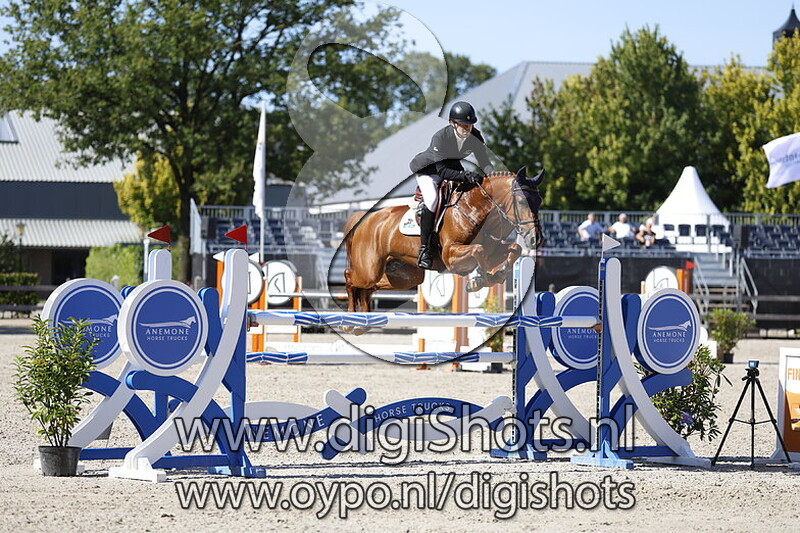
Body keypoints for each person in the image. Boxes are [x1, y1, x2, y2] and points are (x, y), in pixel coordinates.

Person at [409, 101, 494, 269]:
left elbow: (484, 161)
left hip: (452, 167)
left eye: (470, 125)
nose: (467, 128)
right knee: (432, 200)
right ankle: (424, 250)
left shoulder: (475, 136)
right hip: (429, 171)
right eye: (463, 125)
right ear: (452, 123)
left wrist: (493, 178)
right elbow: (442, 171)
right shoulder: (440, 137)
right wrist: (466, 175)